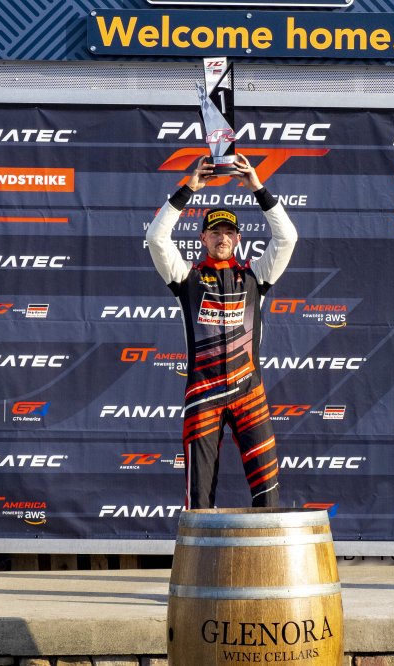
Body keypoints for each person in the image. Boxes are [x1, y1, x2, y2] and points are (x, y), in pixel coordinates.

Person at [146, 155, 297, 509]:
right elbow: (156, 238)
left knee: (267, 490)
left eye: (229, 232)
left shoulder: (255, 276)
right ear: (203, 237)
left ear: (239, 238)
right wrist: (189, 188)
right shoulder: (187, 277)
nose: (222, 238)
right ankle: (198, 547)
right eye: (215, 232)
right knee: (198, 496)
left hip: (249, 392)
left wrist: (257, 187)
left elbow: (287, 238)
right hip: (204, 394)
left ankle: (266, 547)